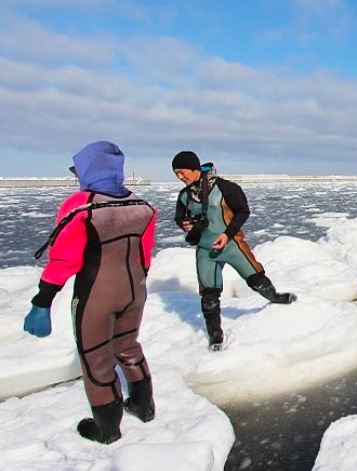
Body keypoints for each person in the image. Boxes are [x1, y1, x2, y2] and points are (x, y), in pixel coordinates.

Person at [25, 141, 157, 444]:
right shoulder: (141, 205)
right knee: (128, 346)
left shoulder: (81, 205)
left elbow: (65, 258)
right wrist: (138, 282)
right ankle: (143, 405)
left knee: (96, 358)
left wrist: (42, 301)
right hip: (135, 289)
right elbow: (144, 253)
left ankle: (107, 430)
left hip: (97, 292)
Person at [172, 151, 296, 351]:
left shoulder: (225, 188)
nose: (180, 177)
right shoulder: (184, 195)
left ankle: (275, 297)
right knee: (209, 293)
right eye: (176, 174)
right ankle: (215, 334)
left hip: (231, 244)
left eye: (182, 172)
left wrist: (227, 234)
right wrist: (185, 225)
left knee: (255, 277)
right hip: (206, 249)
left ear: (195, 169)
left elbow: (242, 211)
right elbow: (179, 217)